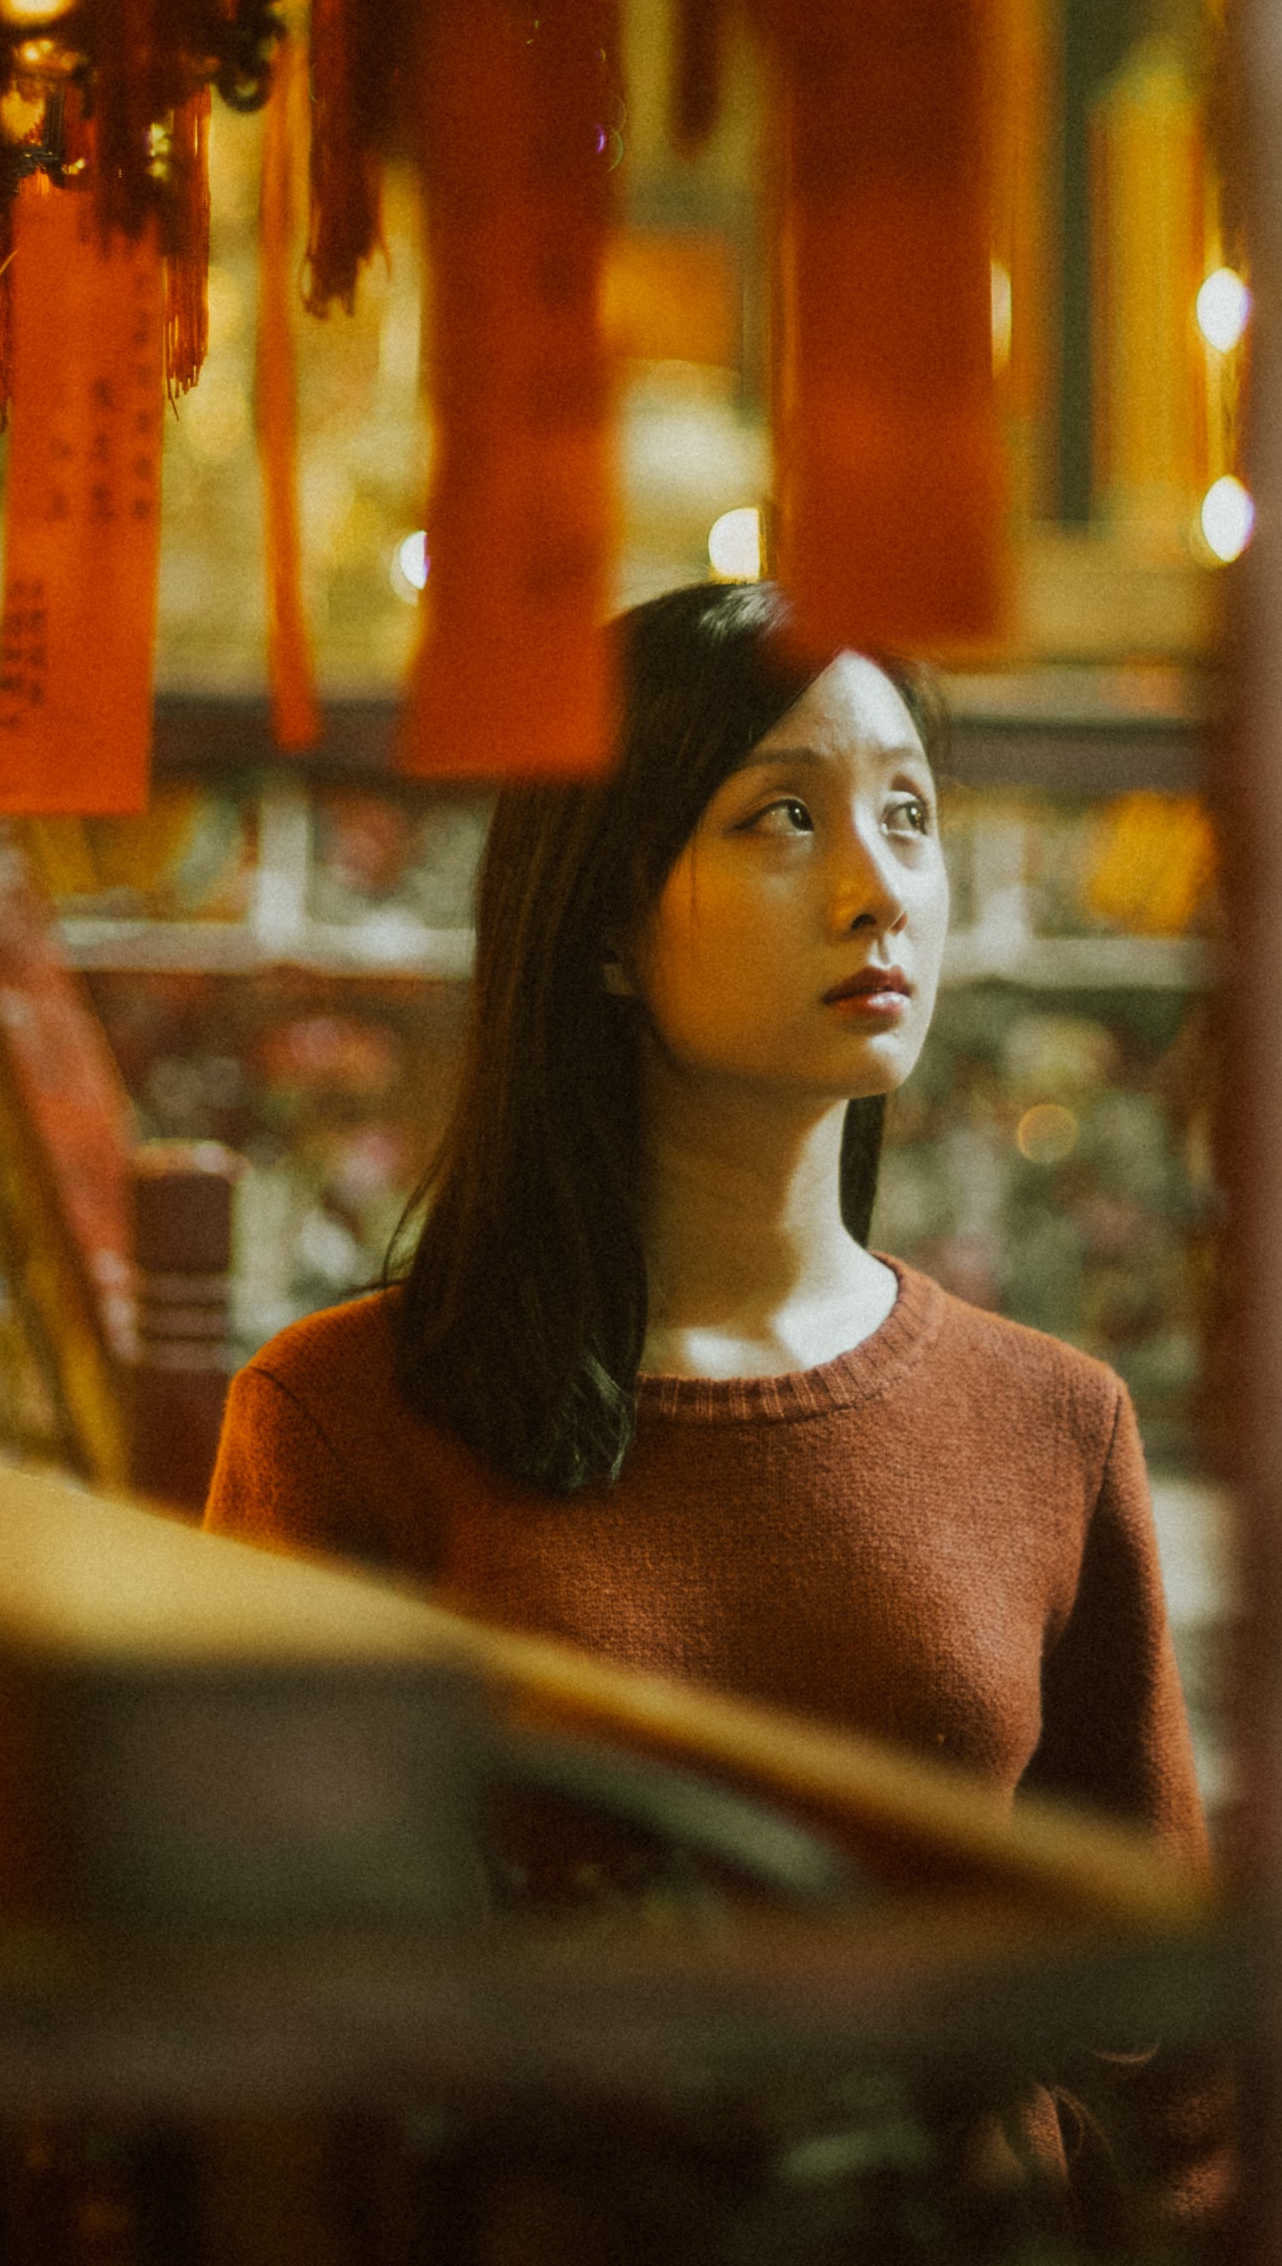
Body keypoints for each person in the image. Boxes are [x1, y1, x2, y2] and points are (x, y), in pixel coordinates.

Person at [203, 579, 1215, 2228]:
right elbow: (276, 2036)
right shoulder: (343, 1422)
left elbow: (1159, 2040)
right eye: (782, 819)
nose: (878, 887)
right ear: (602, 920)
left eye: (908, 814)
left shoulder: (1054, 1422)